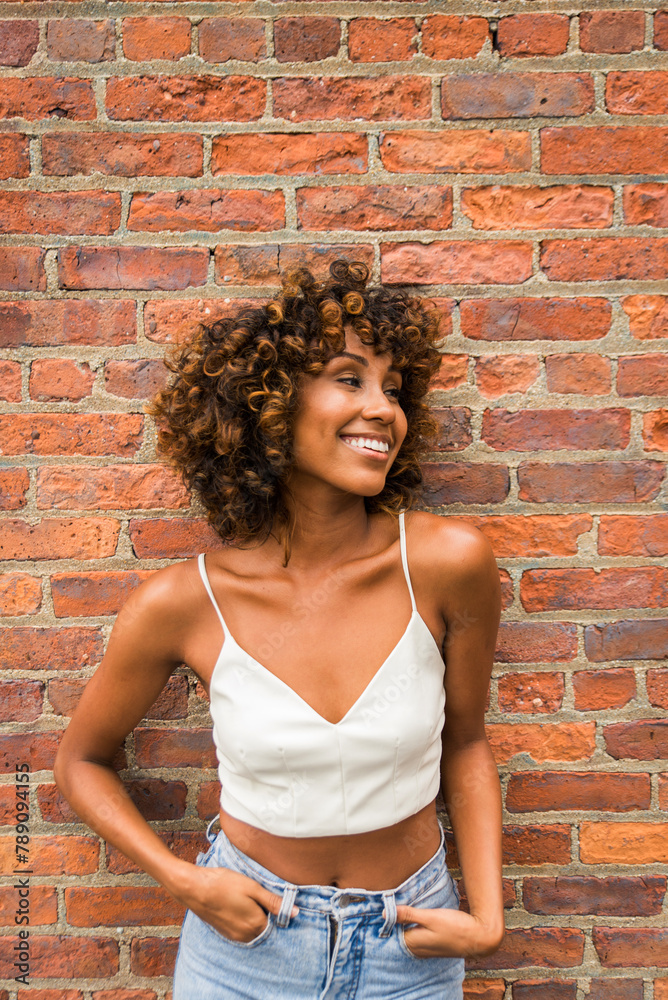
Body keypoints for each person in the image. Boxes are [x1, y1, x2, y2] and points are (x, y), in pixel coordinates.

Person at [54, 260, 504, 999]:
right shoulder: (184, 602)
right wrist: (186, 882)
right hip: (246, 951)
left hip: (410, 949)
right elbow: (81, 761)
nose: (383, 409)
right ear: (270, 403)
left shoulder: (447, 563)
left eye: (393, 388)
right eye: (350, 379)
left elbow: (467, 743)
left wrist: (486, 918)